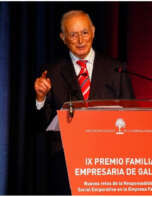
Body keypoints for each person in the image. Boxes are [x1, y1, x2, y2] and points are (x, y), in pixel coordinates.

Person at [34, 10, 134, 195]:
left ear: (93, 32)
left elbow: (130, 117)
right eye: (73, 34)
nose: (80, 40)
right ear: (63, 38)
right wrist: (40, 99)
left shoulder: (115, 69)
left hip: (107, 163)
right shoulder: (52, 72)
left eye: (85, 32)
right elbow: (41, 124)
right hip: (66, 164)